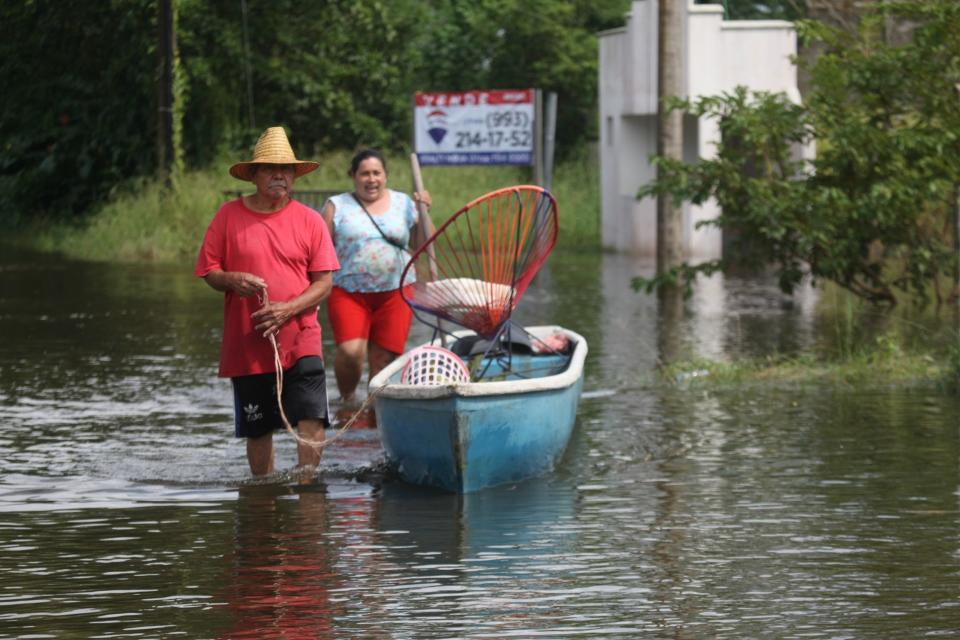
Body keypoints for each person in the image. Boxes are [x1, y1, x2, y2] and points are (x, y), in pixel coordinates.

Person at [195, 126, 339, 476]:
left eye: (286, 169)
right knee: (257, 426)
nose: (280, 175)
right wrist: (232, 279)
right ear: (254, 175)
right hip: (249, 340)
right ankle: (264, 496)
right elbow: (208, 270)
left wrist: (289, 308)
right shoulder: (228, 215)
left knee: (311, 415)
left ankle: (307, 486)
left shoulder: (310, 220)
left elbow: (324, 283)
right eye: (271, 169)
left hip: (302, 335)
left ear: (294, 176)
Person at [320, 149, 432, 418]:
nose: (371, 179)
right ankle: (347, 404)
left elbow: (421, 246)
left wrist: (425, 212)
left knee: (384, 360)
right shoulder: (337, 206)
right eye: (364, 174)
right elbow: (318, 248)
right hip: (348, 291)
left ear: (385, 176)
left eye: (376, 173)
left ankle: (375, 413)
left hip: (396, 290)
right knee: (350, 352)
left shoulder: (405, 203)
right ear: (353, 176)